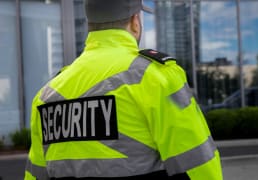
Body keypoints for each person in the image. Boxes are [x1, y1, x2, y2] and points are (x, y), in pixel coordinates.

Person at [24, 0, 223, 179]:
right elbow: (199, 166)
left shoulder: (45, 97)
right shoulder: (157, 77)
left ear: (90, 26)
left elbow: (35, 175)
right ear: (135, 21)